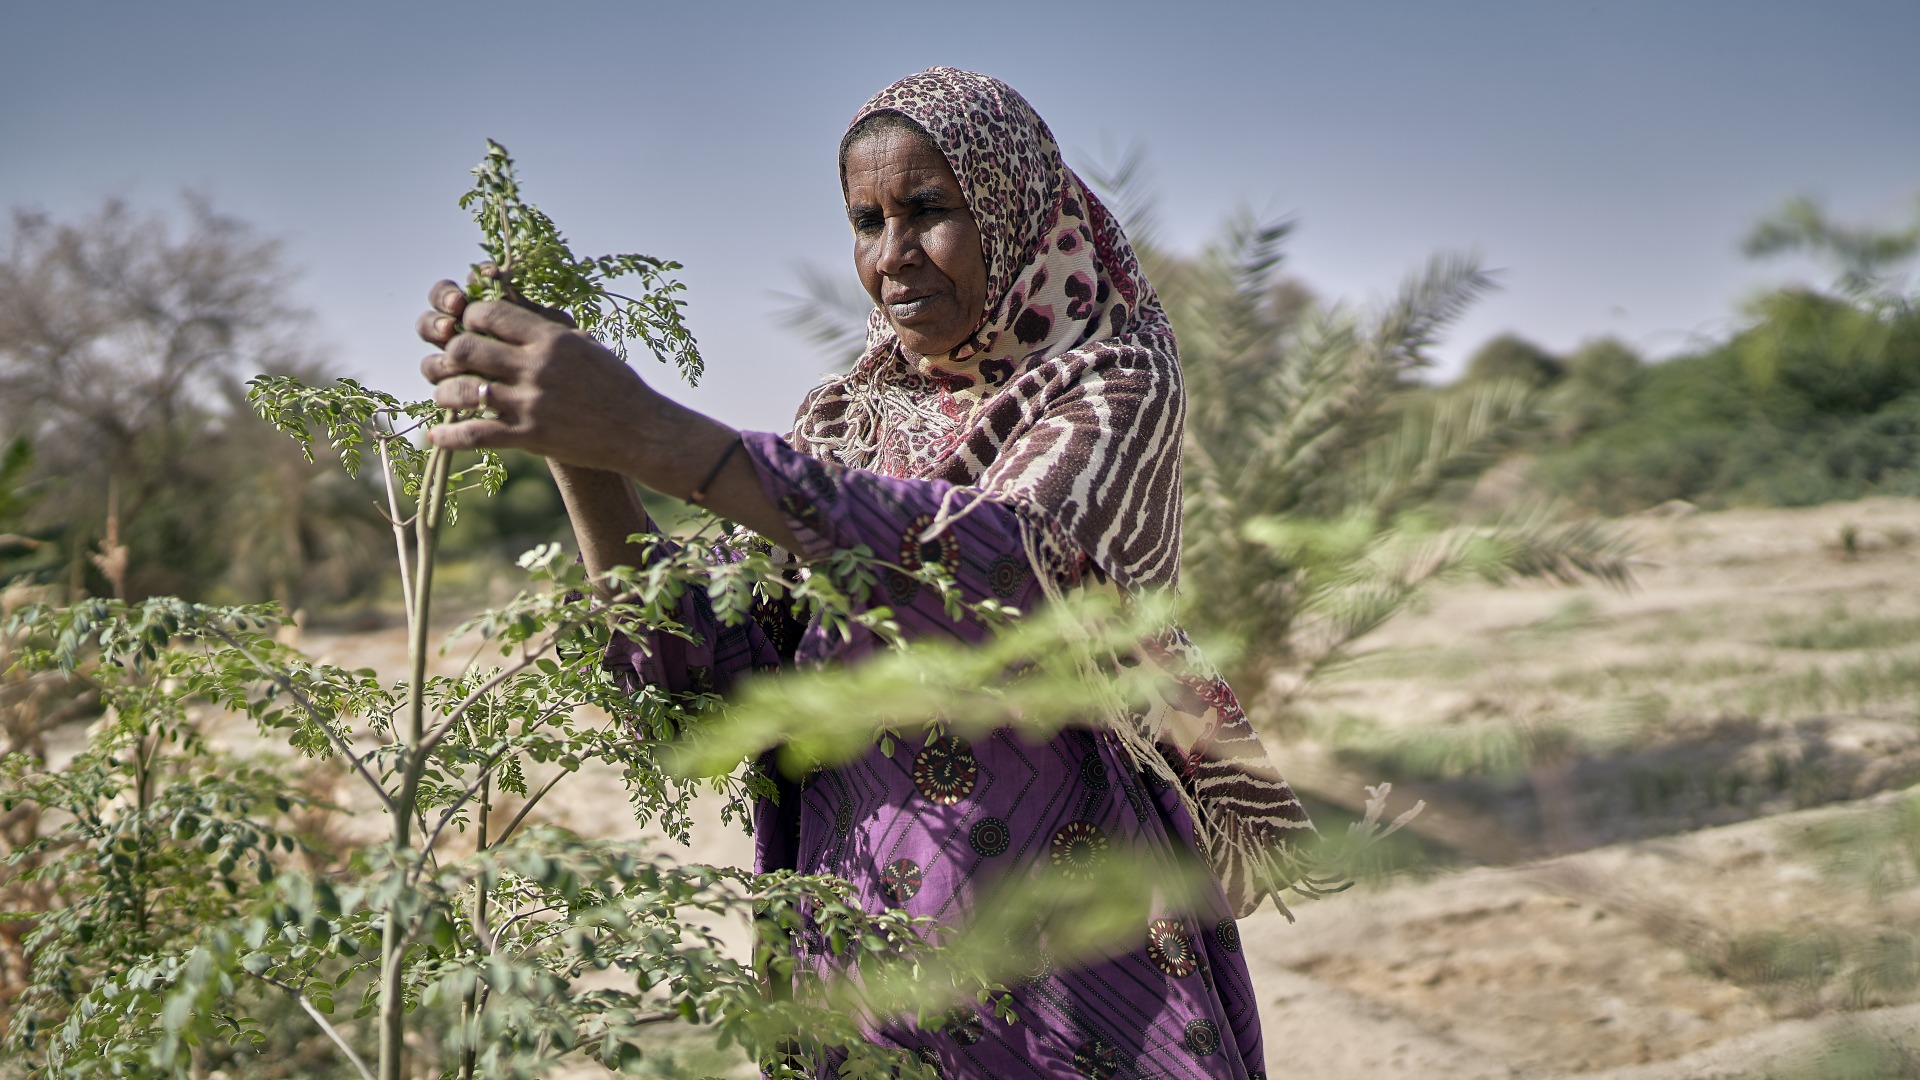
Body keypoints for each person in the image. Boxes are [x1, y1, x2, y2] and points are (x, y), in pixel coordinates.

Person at [418, 67, 1311, 1080]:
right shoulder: (842, 425)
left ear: (1013, 207)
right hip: (858, 962)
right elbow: (699, 689)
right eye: (866, 221)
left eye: (929, 211)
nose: (892, 256)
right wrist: (579, 448)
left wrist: (652, 432)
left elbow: (1001, 567)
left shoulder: (1107, 378)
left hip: (1072, 970)